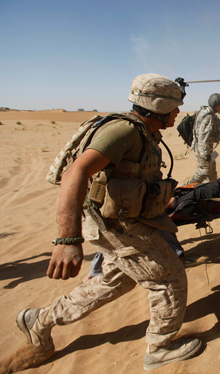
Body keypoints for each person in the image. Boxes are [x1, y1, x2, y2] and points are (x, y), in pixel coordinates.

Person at [15, 73, 203, 371]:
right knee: (168, 277)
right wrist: (67, 240)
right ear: (158, 106)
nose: (179, 112)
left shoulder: (143, 132)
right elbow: (74, 174)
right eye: (174, 106)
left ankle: (40, 320)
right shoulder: (123, 132)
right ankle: (160, 347)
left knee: (114, 281)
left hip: (118, 223)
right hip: (118, 228)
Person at [186, 93, 220, 184]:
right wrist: (205, 154)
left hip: (208, 149)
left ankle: (213, 189)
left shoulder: (208, 113)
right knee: (204, 171)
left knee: (212, 171)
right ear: (216, 104)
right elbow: (203, 136)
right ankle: (185, 188)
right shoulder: (208, 117)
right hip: (203, 149)